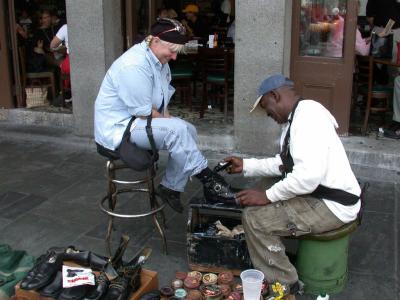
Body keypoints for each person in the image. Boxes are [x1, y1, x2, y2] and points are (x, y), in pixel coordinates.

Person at [223, 74, 361, 299]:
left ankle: (285, 285)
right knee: (265, 187)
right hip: (325, 195)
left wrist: (267, 197)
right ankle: (275, 253)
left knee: (254, 219)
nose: (270, 116)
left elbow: (307, 177)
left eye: (268, 109)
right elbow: (284, 163)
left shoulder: (308, 118)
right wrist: (246, 165)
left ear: (275, 95)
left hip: (334, 205)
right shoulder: (299, 116)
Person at [94, 18, 236, 213]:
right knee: (178, 131)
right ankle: (211, 181)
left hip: (137, 121)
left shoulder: (159, 61)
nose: (175, 57)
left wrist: (173, 125)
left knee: (188, 130)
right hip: (119, 129)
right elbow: (143, 113)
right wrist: (173, 128)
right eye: (172, 51)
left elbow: (162, 106)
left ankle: (171, 187)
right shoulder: (134, 65)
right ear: (156, 40)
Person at [50, 24, 71, 101]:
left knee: (62, 65)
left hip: (71, 62)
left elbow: (52, 45)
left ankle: (66, 92)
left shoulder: (66, 27)